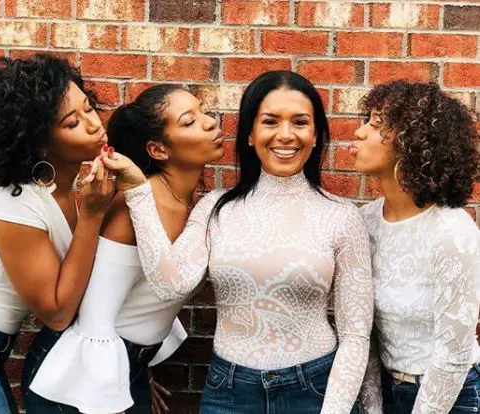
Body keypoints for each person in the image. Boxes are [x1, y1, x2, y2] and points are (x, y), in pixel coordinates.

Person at [103, 71, 374, 414]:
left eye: (300, 122)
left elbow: (355, 335)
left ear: (317, 135)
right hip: (230, 393)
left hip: (315, 389)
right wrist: (139, 192)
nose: (286, 135)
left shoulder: (343, 217)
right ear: (250, 134)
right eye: (270, 121)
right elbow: (170, 285)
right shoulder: (215, 208)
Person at [25, 84, 225, 414]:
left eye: (203, 111)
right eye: (189, 121)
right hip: (79, 378)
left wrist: (135, 370)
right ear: (159, 150)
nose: (210, 123)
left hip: (123, 368)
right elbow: (96, 313)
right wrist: (109, 393)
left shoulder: (190, 204)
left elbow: (137, 303)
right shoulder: (135, 208)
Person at [0, 54, 115, 414]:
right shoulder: (13, 200)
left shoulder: (74, 189)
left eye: (89, 108)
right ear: (39, 140)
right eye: (73, 121)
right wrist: (92, 216)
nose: (93, 124)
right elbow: (55, 313)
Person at [353, 80, 480, 413]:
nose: (359, 132)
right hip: (388, 389)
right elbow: (362, 332)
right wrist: (374, 406)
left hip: (450, 395)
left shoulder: (452, 231)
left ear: (410, 143)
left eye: (375, 124)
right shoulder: (364, 223)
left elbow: (453, 354)